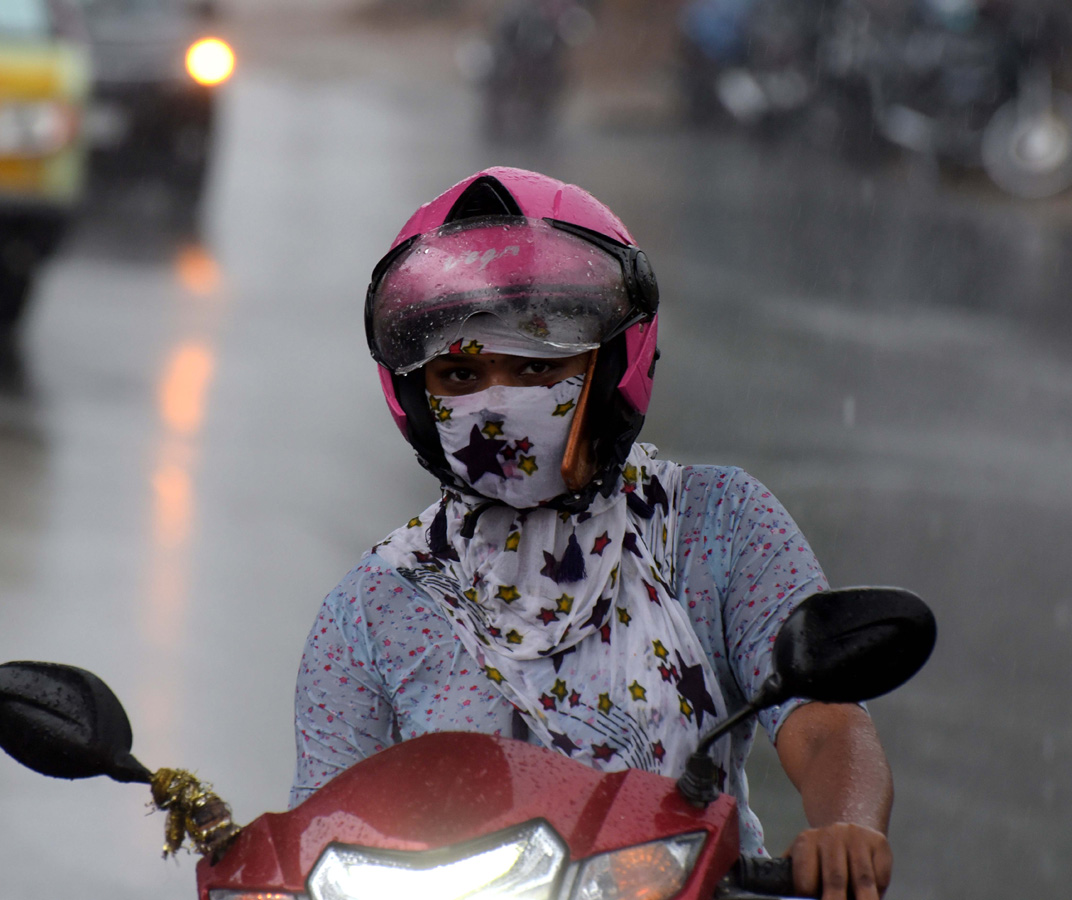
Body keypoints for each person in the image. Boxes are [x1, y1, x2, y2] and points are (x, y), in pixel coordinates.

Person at [292, 167, 894, 900]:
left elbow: (826, 724)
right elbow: (316, 837)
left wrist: (848, 829)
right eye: (460, 375)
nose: (499, 401)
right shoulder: (371, 609)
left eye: (537, 366)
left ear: (611, 367)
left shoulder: (716, 525)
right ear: (415, 395)